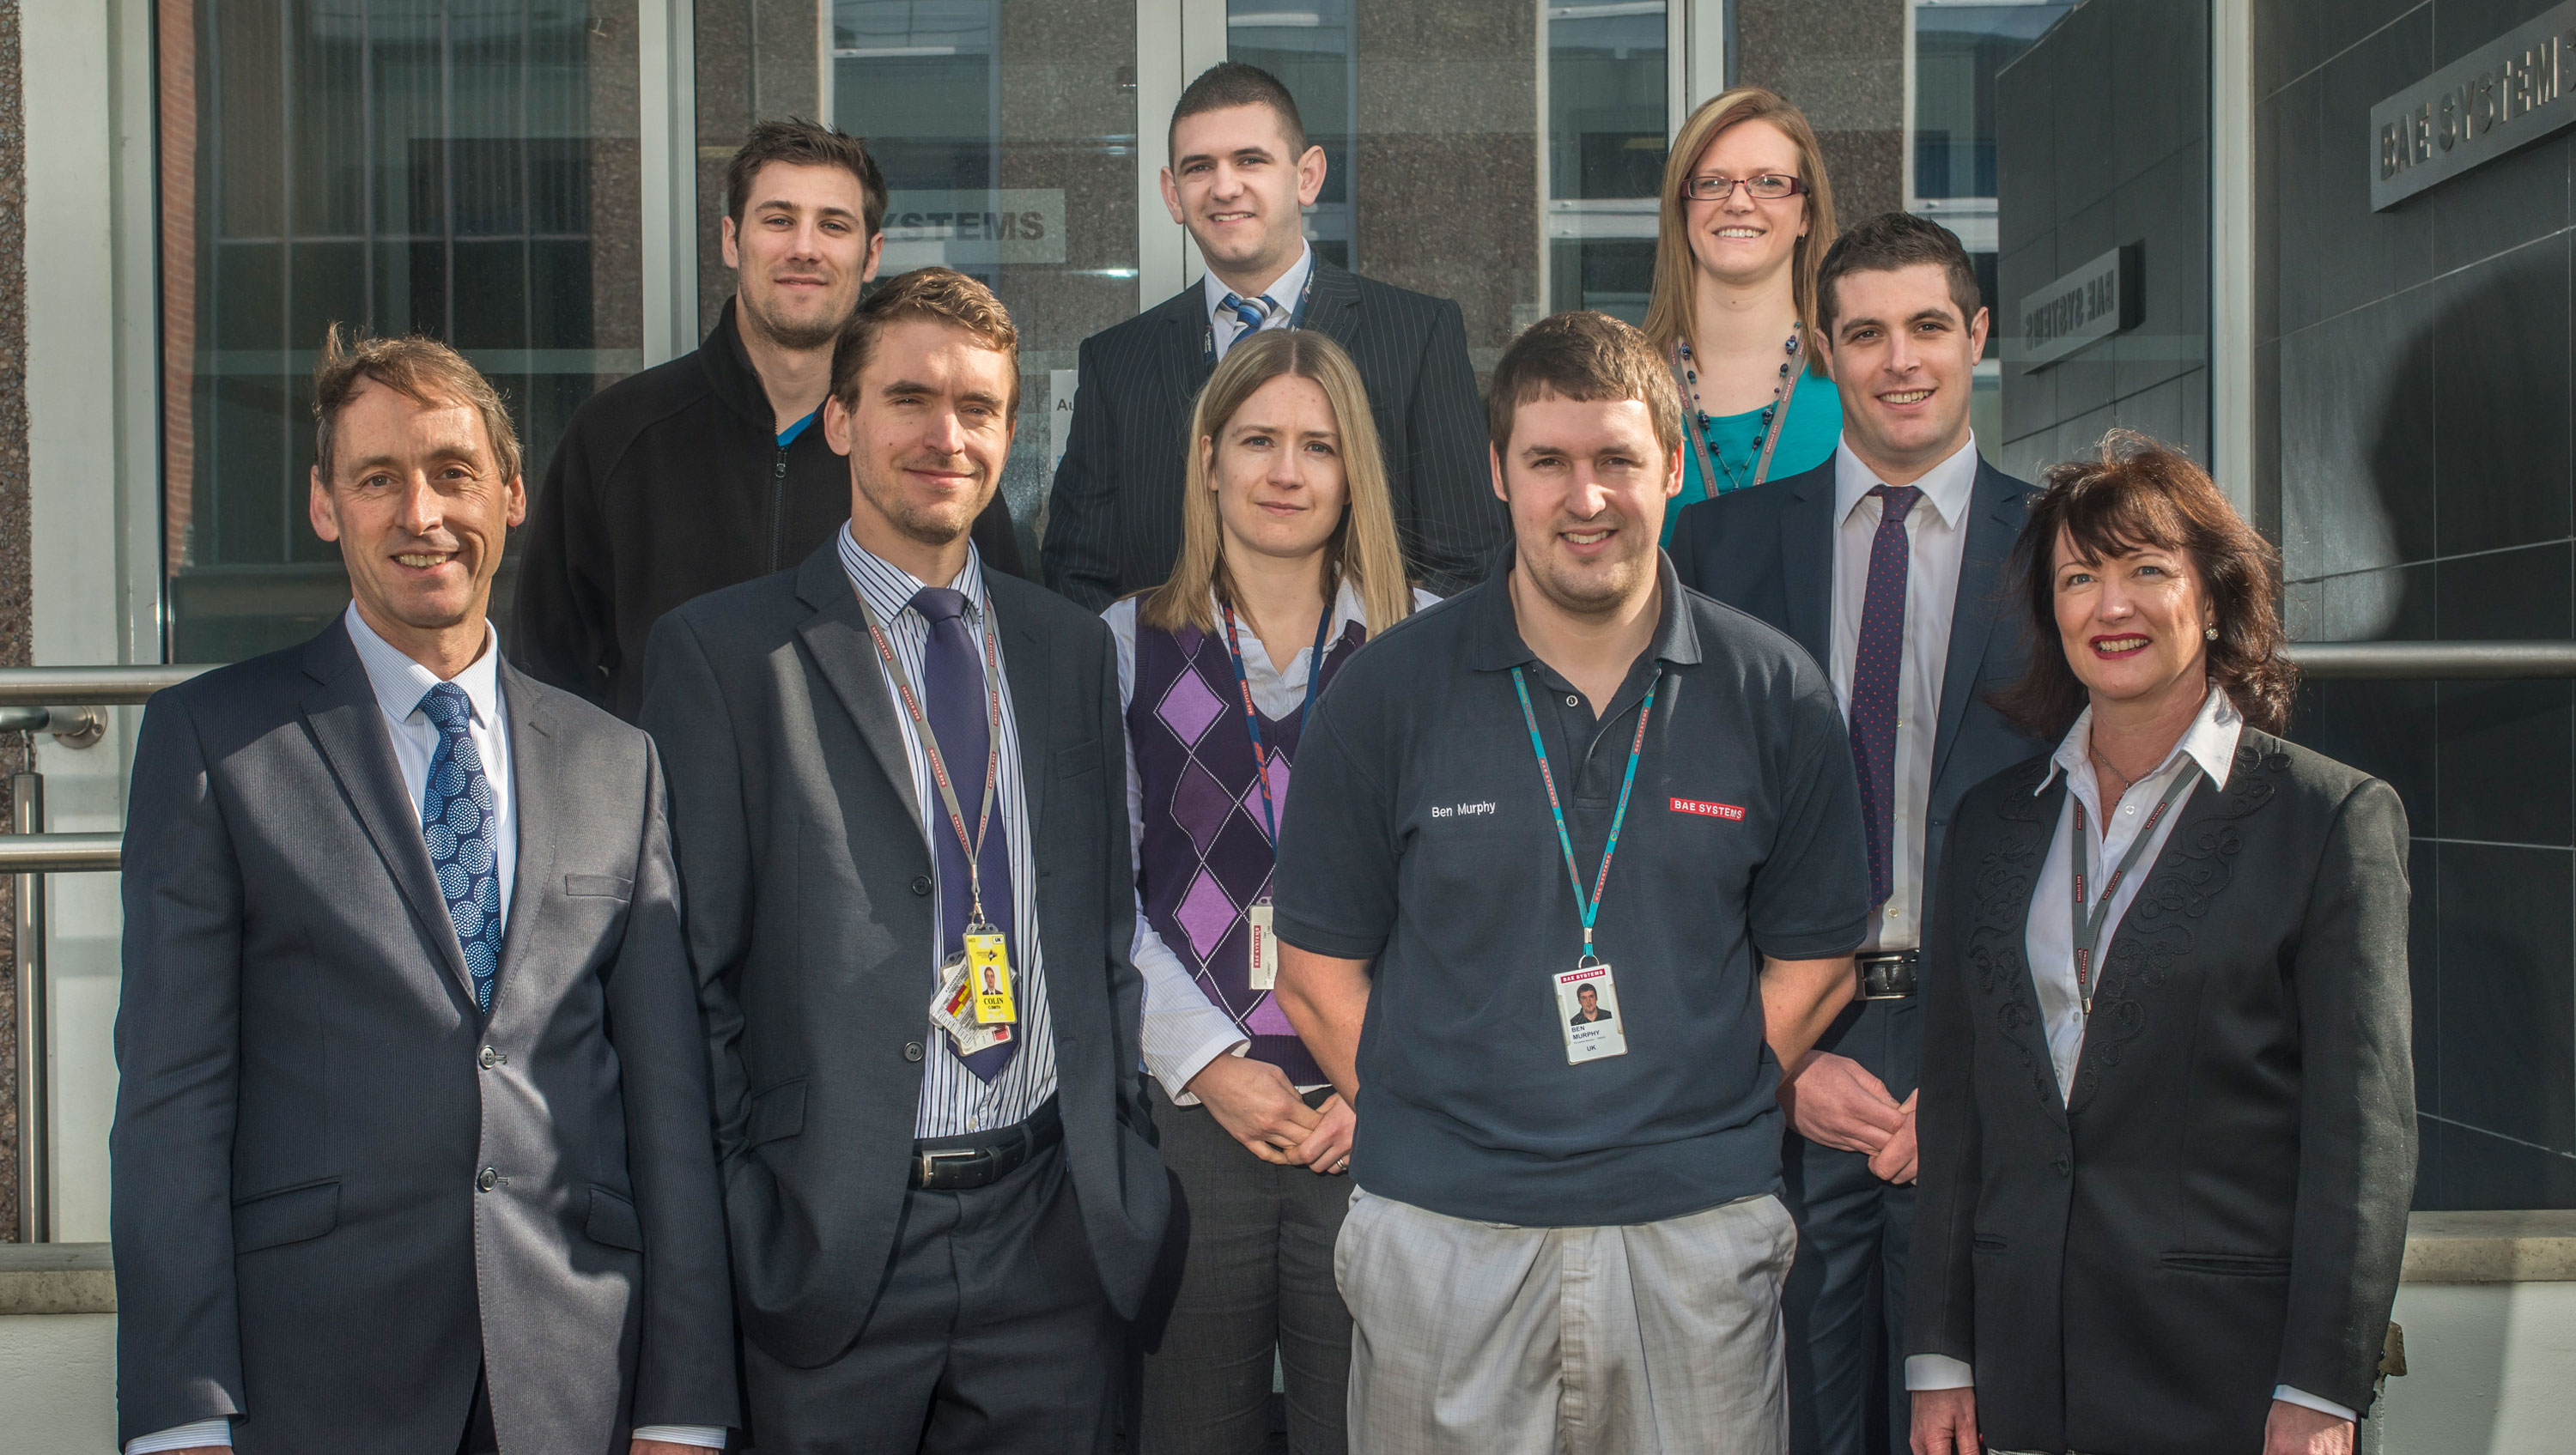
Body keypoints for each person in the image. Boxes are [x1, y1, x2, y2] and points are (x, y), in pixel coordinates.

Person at [112, 330, 735, 1455]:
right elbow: (171, 1102)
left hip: (574, 1364)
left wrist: (685, 1394)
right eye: (377, 477)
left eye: (452, 473)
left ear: (510, 490)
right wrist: (180, 1405)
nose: (421, 513)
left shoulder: (615, 760)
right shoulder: (212, 741)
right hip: (316, 1369)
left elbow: (666, 1104)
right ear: (323, 504)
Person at [1270, 311, 1872, 1455]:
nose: (1584, 498)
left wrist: (1700, 1096)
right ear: (1499, 472)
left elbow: (1816, 961)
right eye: (1548, 461)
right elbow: (1314, 974)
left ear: (1675, 464)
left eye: (1617, 460)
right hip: (1446, 1240)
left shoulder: (1774, 692)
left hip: (1693, 1239)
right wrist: (1447, 1119)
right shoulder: (1386, 693)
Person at [641, 268, 1167, 1454]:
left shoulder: (1068, 649)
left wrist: (1121, 1159)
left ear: (1009, 434)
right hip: (830, 1253)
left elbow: (1101, 936)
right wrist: (746, 1215)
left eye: (977, 408)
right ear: (841, 419)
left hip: (1054, 1236)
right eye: (910, 399)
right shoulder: (727, 655)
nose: (946, 435)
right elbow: (692, 982)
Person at [1908, 433, 2415, 1455]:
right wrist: (1940, 1355)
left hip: (2228, 1378)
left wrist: (2323, 1389)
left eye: (2149, 569)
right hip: (2019, 1374)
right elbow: (1959, 1107)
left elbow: (2361, 1140)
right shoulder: (1992, 823)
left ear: (2217, 598)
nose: (2113, 605)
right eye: (2080, 577)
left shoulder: (2326, 820)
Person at [1669, 210, 2045, 1455]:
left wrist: (1994, 1076)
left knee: (1972, 1418)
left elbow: (2095, 841)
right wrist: (1768, 1057)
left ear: (1978, 336)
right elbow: (1672, 836)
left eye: (1930, 326)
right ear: (1824, 353)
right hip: (1789, 1028)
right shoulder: (1718, 548)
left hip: (1984, 1038)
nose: (1901, 359)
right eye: (1867, 332)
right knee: (1792, 1419)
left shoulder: (2062, 549)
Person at [1109, 327, 1434, 1455]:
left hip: (1386, 1121)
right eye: (1257, 440)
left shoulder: (1427, 647)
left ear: (1356, 474)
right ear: (1208, 459)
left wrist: (1382, 1074)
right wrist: (1206, 1062)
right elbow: (1106, 897)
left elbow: (1466, 903)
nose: (1286, 471)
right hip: (1197, 1119)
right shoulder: (1124, 644)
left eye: (1318, 445)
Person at [516, 118, 1018, 721]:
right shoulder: (618, 436)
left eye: (833, 225)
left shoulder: (928, 456)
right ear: (732, 240)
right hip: (668, 814)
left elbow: (1001, 650)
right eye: (778, 219)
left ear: (870, 255)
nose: (804, 247)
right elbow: (545, 680)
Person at [1043, 61, 1500, 609]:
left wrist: (1374, 673)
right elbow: (1077, 572)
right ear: (1171, 194)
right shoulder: (1117, 361)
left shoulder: (1416, 333)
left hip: (1368, 686)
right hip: (1168, 688)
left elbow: (1467, 563)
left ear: (1306, 177)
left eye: (1250, 160)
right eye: (1198, 168)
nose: (1224, 186)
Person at [1642, 87, 1844, 544]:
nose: (1738, 202)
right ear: (1683, 207)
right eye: (1712, 182)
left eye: (1769, 182)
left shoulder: (1855, 380)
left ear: (1806, 215)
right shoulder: (1621, 388)